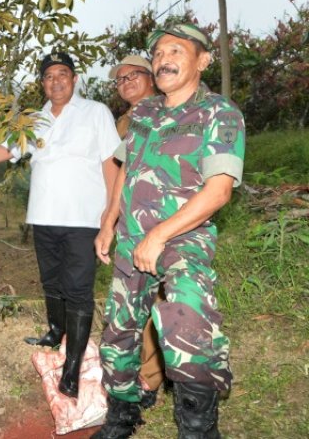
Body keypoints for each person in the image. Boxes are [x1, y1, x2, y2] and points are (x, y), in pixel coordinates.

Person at [92, 23, 245, 438]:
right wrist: (108, 222)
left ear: (203, 60)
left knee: (188, 326)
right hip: (131, 239)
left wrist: (159, 236)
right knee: (118, 332)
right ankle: (122, 415)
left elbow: (219, 191)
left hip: (183, 240)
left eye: (176, 51)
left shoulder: (219, 113)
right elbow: (127, 169)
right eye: (158, 53)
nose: (164, 60)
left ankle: (197, 429)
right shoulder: (144, 113)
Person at [0, 52, 120, 398]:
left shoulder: (95, 113)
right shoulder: (33, 120)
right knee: (51, 281)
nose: (56, 81)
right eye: (49, 76)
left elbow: (110, 164)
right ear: (42, 83)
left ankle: (71, 368)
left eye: (62, 74)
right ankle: (55, 333)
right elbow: (8, 150)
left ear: (74, 79)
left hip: (83, 219)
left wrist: (110, 216)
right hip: (43, 216)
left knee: (78, 290)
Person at [109, 55, 165, 410]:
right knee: (131, 301)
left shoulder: (168, 110)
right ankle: (133, 371)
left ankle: (153, 376)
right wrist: (110, 218)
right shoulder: (124, 122)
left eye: (134, 75)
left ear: (152, 78)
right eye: (120, 79)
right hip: (130, 222)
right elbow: (122, 171)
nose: (126, 81)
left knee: (161, 300)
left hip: (162, 221)